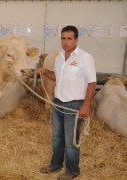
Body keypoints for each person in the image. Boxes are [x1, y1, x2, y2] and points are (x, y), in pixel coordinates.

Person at [36, 25, 96, 180]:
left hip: (74, 105)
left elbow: (91, 83)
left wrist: (86, 105)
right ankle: (56, 165)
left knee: (71, 141)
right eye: (63, 38)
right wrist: (44, 71)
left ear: (76, 39)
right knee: (57, 138)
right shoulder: (60, 56)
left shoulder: (85, 57)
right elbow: (57, 76)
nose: (66, 42)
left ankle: (72, 171)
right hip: (58, 103)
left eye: (69, 38)